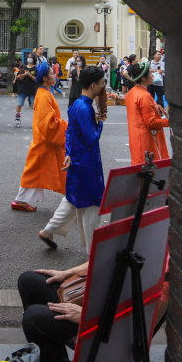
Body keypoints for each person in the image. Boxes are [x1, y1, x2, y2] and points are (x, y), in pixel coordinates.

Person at [40, 66, 107, 251]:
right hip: (88, 164)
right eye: (103, 84)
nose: (104, 87)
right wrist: (100, 122)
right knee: (92, 203)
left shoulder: (76, 104)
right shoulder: (86, 109)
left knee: (72, 198)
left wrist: (68, 153)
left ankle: (49, 231)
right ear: (93, 85)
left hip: (76, 160)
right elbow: (91, 138)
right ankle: (92, 252)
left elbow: (69, 131)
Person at [12, 64, 68, 212]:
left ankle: (21, 200)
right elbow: (47, 124)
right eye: (52, 74)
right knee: (37, 172)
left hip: (45, 141)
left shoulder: (45, 93)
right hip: (45, 141)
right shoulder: (43, 95)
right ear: (44, 78)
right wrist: (67, 126)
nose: (55, 75)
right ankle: (72, 199)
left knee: (35, 172)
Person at [17, 263, 87, 362]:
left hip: (106, 317)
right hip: (94, 293)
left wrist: (86, 315)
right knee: (28, 281)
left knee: (35, 319)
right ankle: (56, 355)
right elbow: (98, 261)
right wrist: (66, 273)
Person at [125, 61, 171, 163]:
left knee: (139, 168)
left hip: (136, 138)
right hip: (145, 140)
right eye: (150, 73)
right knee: (147, 170)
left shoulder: (132, 92)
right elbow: (151, 122)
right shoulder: (144, 95)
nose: (152, 74)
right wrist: (170, 122)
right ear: (143, 78)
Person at [14, 56, 38, 127]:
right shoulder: (23, 67)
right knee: (19, 104)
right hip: (23, 88)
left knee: (35, 106)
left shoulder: (35, 68)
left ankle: (36, 120)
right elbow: (18, 77)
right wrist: (24, 75)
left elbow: (36, 79)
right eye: (29, 57)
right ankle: (17, 119)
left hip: (32, 89)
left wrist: (29, 74)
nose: (30, 58)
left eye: (31, 57)